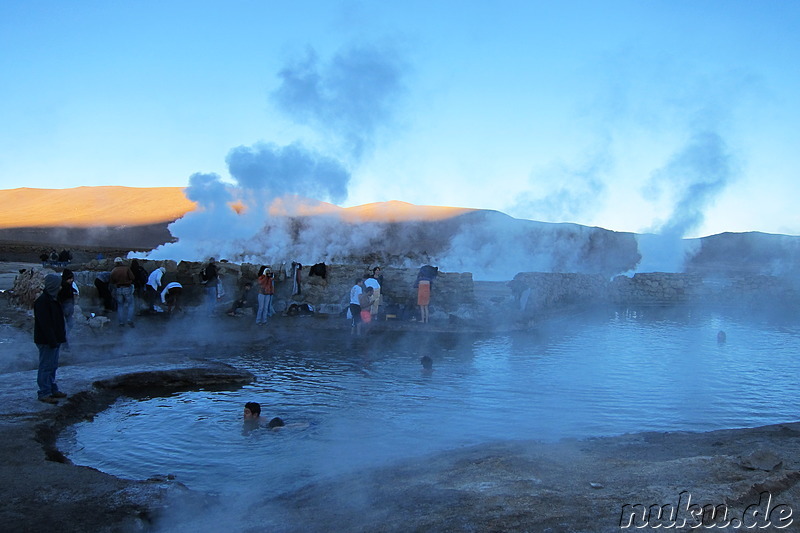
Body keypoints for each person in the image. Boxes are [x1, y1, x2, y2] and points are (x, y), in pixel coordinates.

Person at [34, 274, 67, 404]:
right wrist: (52, 340)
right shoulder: (43, 302)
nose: (60, 287)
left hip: (55, 339)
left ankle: (52, 389)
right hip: (46, 340)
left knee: (52, 365)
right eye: (58, 285)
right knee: (46, 366)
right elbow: (45, 324)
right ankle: (44, 393)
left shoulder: (53, 299)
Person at [110, 257, 136, 327]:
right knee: (130, 304)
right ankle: (129, 320)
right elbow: (132, 277)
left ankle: (121, 322)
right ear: (122, 262)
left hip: (118, 289)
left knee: (120, 306)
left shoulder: (114, 270)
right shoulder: (126, 268)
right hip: (127, 288)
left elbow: (112, 281)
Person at [57, 268, 78, 336]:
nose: (71, 280)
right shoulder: (62, 286)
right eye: (69, 278)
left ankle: (65, 338)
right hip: (63, 308)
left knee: (69, 325)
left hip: (68, 309)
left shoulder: (69, 286)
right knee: (64, 326)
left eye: (72, 278)